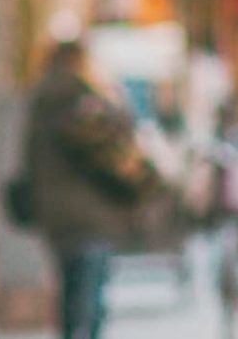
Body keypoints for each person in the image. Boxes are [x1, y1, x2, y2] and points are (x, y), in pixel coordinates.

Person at [26, 39, 158, 339]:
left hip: (55, 213)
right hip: (93, 212)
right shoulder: (89, 99)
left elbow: (28, 159)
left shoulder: (40, 99)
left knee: (70, 292)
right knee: (91, 296)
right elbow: (115, 147)